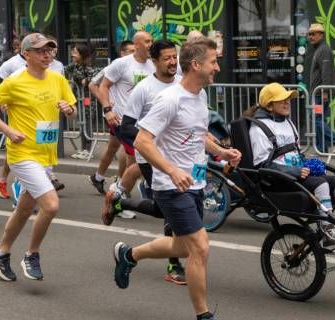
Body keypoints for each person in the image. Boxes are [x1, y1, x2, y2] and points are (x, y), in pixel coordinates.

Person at [112, 38, 241, 320]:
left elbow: (197, 134)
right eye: (213, 62)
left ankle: (129, 255)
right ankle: (204, 315)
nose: (217, 68)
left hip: (194, 182)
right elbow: (144, 141)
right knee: (200, 247)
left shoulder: (201, 96)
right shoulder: (169, 100)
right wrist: (171, 170)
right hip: (171, 186)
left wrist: (222, 152)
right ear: (196, 65)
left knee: (183, 246)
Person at [0, 33, 77, 281]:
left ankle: (0, 251)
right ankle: (32, 254)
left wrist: (69, 110)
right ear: (26, 54)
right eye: (40, 51)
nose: (47, 55)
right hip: (23, 154)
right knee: (51, 205)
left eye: (50, 50)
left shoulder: (58, 79)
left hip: (45, 155)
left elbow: (72, 110)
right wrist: (8, 130)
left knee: (25, 208)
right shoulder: (14, 82)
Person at [248, 83, 335, 246]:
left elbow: (295, 153)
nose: (287, 103)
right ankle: (327, 229)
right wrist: (294, 172)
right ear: (269, 105)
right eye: (281, 100)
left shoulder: (288, 123)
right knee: (321, 184)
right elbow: (262, 166)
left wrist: (309, 162)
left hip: (298, 173)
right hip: (279, 180)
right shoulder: (258, 129)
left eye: (288, 99)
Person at [102, 39, 187, 285]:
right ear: (155, 61)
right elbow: (126, 127)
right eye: (167, 58)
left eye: (175, 57)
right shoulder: (144, 89)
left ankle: (119, 204)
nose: (173, 62)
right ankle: (173, 264)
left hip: (177, 157)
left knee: (164, 209)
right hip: (151, 159)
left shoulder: (182, 83)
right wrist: (150, 143)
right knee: (172, 209)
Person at [100, 31, 155, 220]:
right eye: (147, 41)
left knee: (139, 163)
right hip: (125, 123)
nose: (150, 44)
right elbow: (102, 86)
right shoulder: (122, 64)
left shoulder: (153, 64)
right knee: (137, 162)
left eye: (152, 41)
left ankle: (121, 191)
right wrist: (108, 110)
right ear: (136, 43)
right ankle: (120, 197)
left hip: (147, 125)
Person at [88, 40, 135, 194]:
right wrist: (107, 103)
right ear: (122, 52)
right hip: (116, 116)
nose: (134, 54)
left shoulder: (141, 65)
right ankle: (119, 187)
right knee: (127, 150)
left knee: (113, 147)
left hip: (132, 116)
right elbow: (93, 84)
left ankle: (98, 177)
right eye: (130, 51)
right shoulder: (117, 65)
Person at [308, 23, 335, 154]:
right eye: (309, 34)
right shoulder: (319, 49)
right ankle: (322, 148)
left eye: (314, 34)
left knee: (316, 119)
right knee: (319, 120)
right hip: (317, 93)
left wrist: (325, 91)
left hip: (319, 94)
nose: (310, 37)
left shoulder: (324, 50)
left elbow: (326, 72)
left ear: (321, 35)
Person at [65, 42, 102, 159]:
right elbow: (63, 71)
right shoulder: (74, 65)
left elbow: (97, 77)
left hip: (88, 99)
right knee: (82, 123)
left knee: (87, 123)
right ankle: (83, 149)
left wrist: (87, 80)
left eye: (75, 52)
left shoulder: (90, 66)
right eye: (73, 52)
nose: (72, 54)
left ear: (82, 54)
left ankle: (87, 150)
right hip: (78, 99)